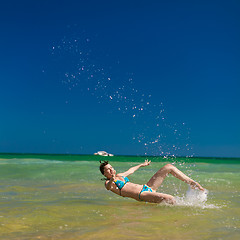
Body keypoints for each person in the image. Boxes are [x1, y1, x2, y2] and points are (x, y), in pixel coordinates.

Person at [99, 160, 204, 204]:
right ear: (104, 174)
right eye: (108, 169)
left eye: (111, 167)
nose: (111, 169)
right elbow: (108, 187)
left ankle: (192, 183)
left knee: (168, 167)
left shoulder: (120, 176)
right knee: (170, 198)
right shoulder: (109, 182)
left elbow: (131, 170)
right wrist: (111, 180)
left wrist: (141, 165)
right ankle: (183, 211)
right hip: (142, 195)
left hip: (147, 187)